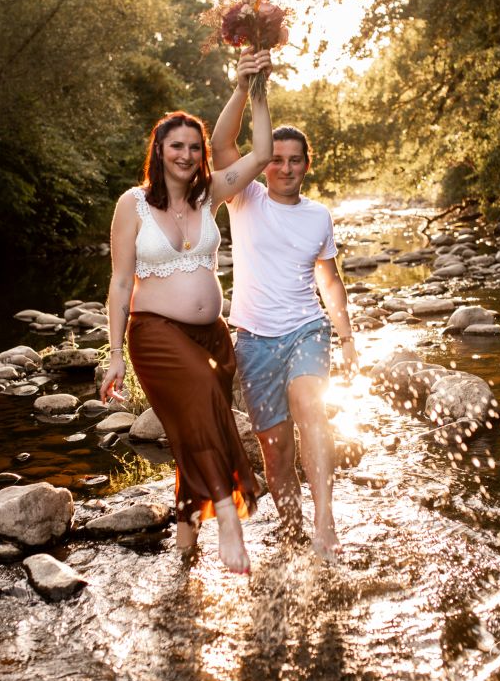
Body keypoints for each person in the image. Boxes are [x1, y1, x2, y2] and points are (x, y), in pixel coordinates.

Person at [100, 49, 273, 575]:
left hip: (212, 336)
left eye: (195, 147)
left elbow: (262, 152)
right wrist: (113, 357)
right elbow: (121, 281)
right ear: (159, 148)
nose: (187, 154)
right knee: (200, 400)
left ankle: (183, 542)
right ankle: (226, 514)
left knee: (193, 432)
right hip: (153, 334)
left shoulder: (209, 196)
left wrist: (250, 85)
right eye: (177, 145)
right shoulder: (132, 205)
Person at [211, 78, 359, 560]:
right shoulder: (245, 197)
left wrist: (348, 337)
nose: (286, 167)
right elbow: (220, 145)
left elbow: (330, 281)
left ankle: (324, 521)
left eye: (296, 160)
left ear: (306, 165)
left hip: (306, 329)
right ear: (264, 162)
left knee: (309, 405)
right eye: (277, 158)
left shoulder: (319, 216)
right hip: (253, 340)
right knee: (275, 449)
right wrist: (249, 90)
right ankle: (294, 530)